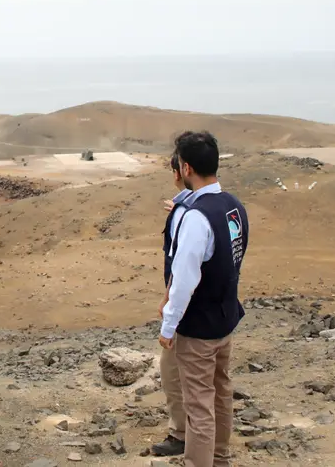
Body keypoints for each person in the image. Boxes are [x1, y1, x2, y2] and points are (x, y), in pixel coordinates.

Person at [158, 131, 250, 467]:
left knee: (198, 405)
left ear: (185, 167)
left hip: (199, 327)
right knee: (221, 393)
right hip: (225, 319)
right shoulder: (233, 206)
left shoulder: (197, 217)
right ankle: (220, 458)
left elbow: (185, 280)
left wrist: (169, 325)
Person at [152, 151, 192, 457]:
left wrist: (168, 311)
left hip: (189, 314)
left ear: (182, 170)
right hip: (213, 312)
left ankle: (182, 435)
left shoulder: (189, 214)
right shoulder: (222, 206)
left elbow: (183, 268)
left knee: (172, 372)